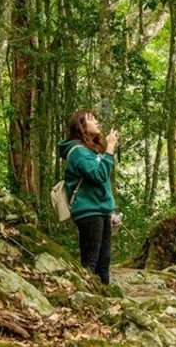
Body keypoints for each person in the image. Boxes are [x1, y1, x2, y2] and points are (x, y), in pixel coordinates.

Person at [58, 109, 118, 285]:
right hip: (88, 212)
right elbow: (99, 175)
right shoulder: (78, 152)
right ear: (81, 126)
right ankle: (86, 299)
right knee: (90, 262)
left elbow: (101, 184)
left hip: (100, 211)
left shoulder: (90, 151)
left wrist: (110, 210)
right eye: (91, 120)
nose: (96, 122)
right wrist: (110, 148)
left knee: (104, 261)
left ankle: (106, 303)